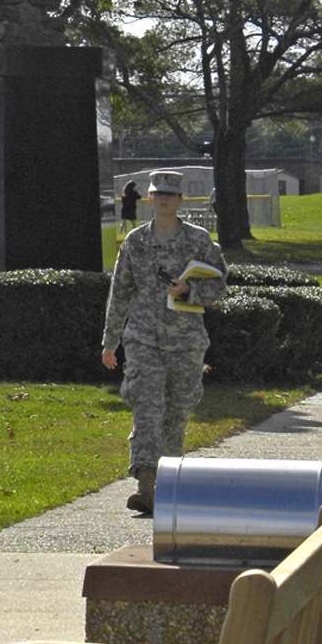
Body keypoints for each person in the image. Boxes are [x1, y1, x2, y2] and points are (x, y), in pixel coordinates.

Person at [102, 169, 228, 514]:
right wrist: (110, 341)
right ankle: (146, 482)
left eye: (170, 195)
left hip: (186, 341)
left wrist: (190, 289)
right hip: (144, 338)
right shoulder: (136, 242)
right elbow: (120, 292)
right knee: (147, 406)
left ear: (180, 200)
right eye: (158, 194)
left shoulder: (199, 240)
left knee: (176, 413)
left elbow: (220, 285)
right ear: (150, 199)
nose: (164, 200)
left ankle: (167, 486)